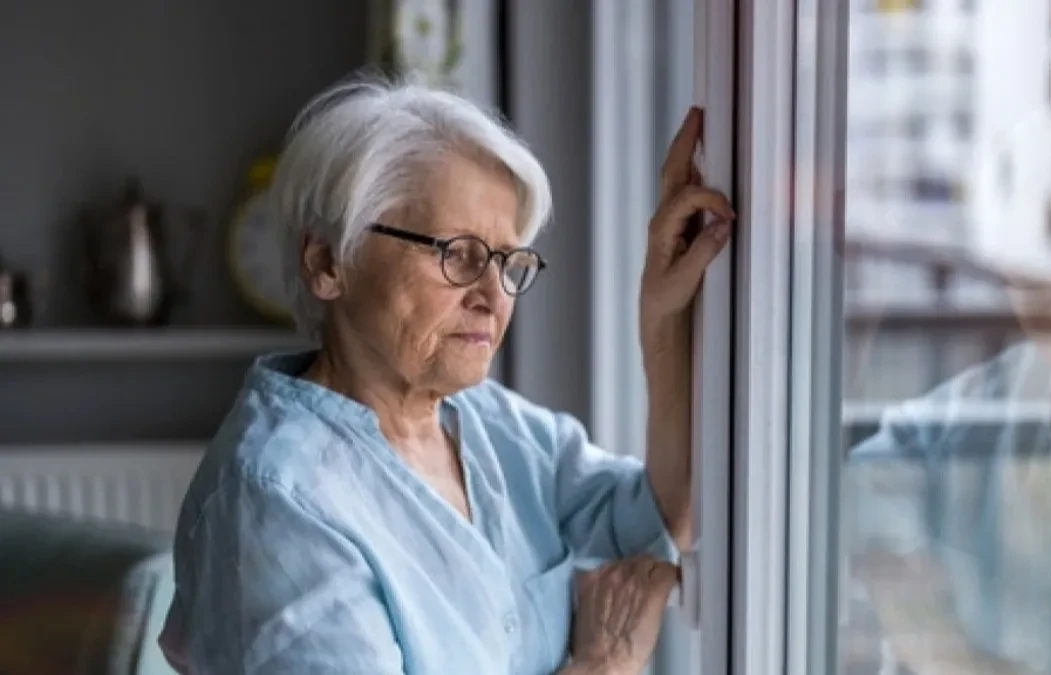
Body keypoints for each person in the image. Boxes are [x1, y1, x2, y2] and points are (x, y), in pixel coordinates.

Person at [158, 75, 735, 674]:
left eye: (509, 261)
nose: (493, 294)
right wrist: (603, 666)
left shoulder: (489, 422)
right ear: (327, 262)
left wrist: (663, 321)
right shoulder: (278, 502)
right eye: (456, 253)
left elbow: (663, 516)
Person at [844, 288, 1051, 675]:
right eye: (1025, 283)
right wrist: (921, 614)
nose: (1047, 304)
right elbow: (865, 478)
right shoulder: (1007, 388)